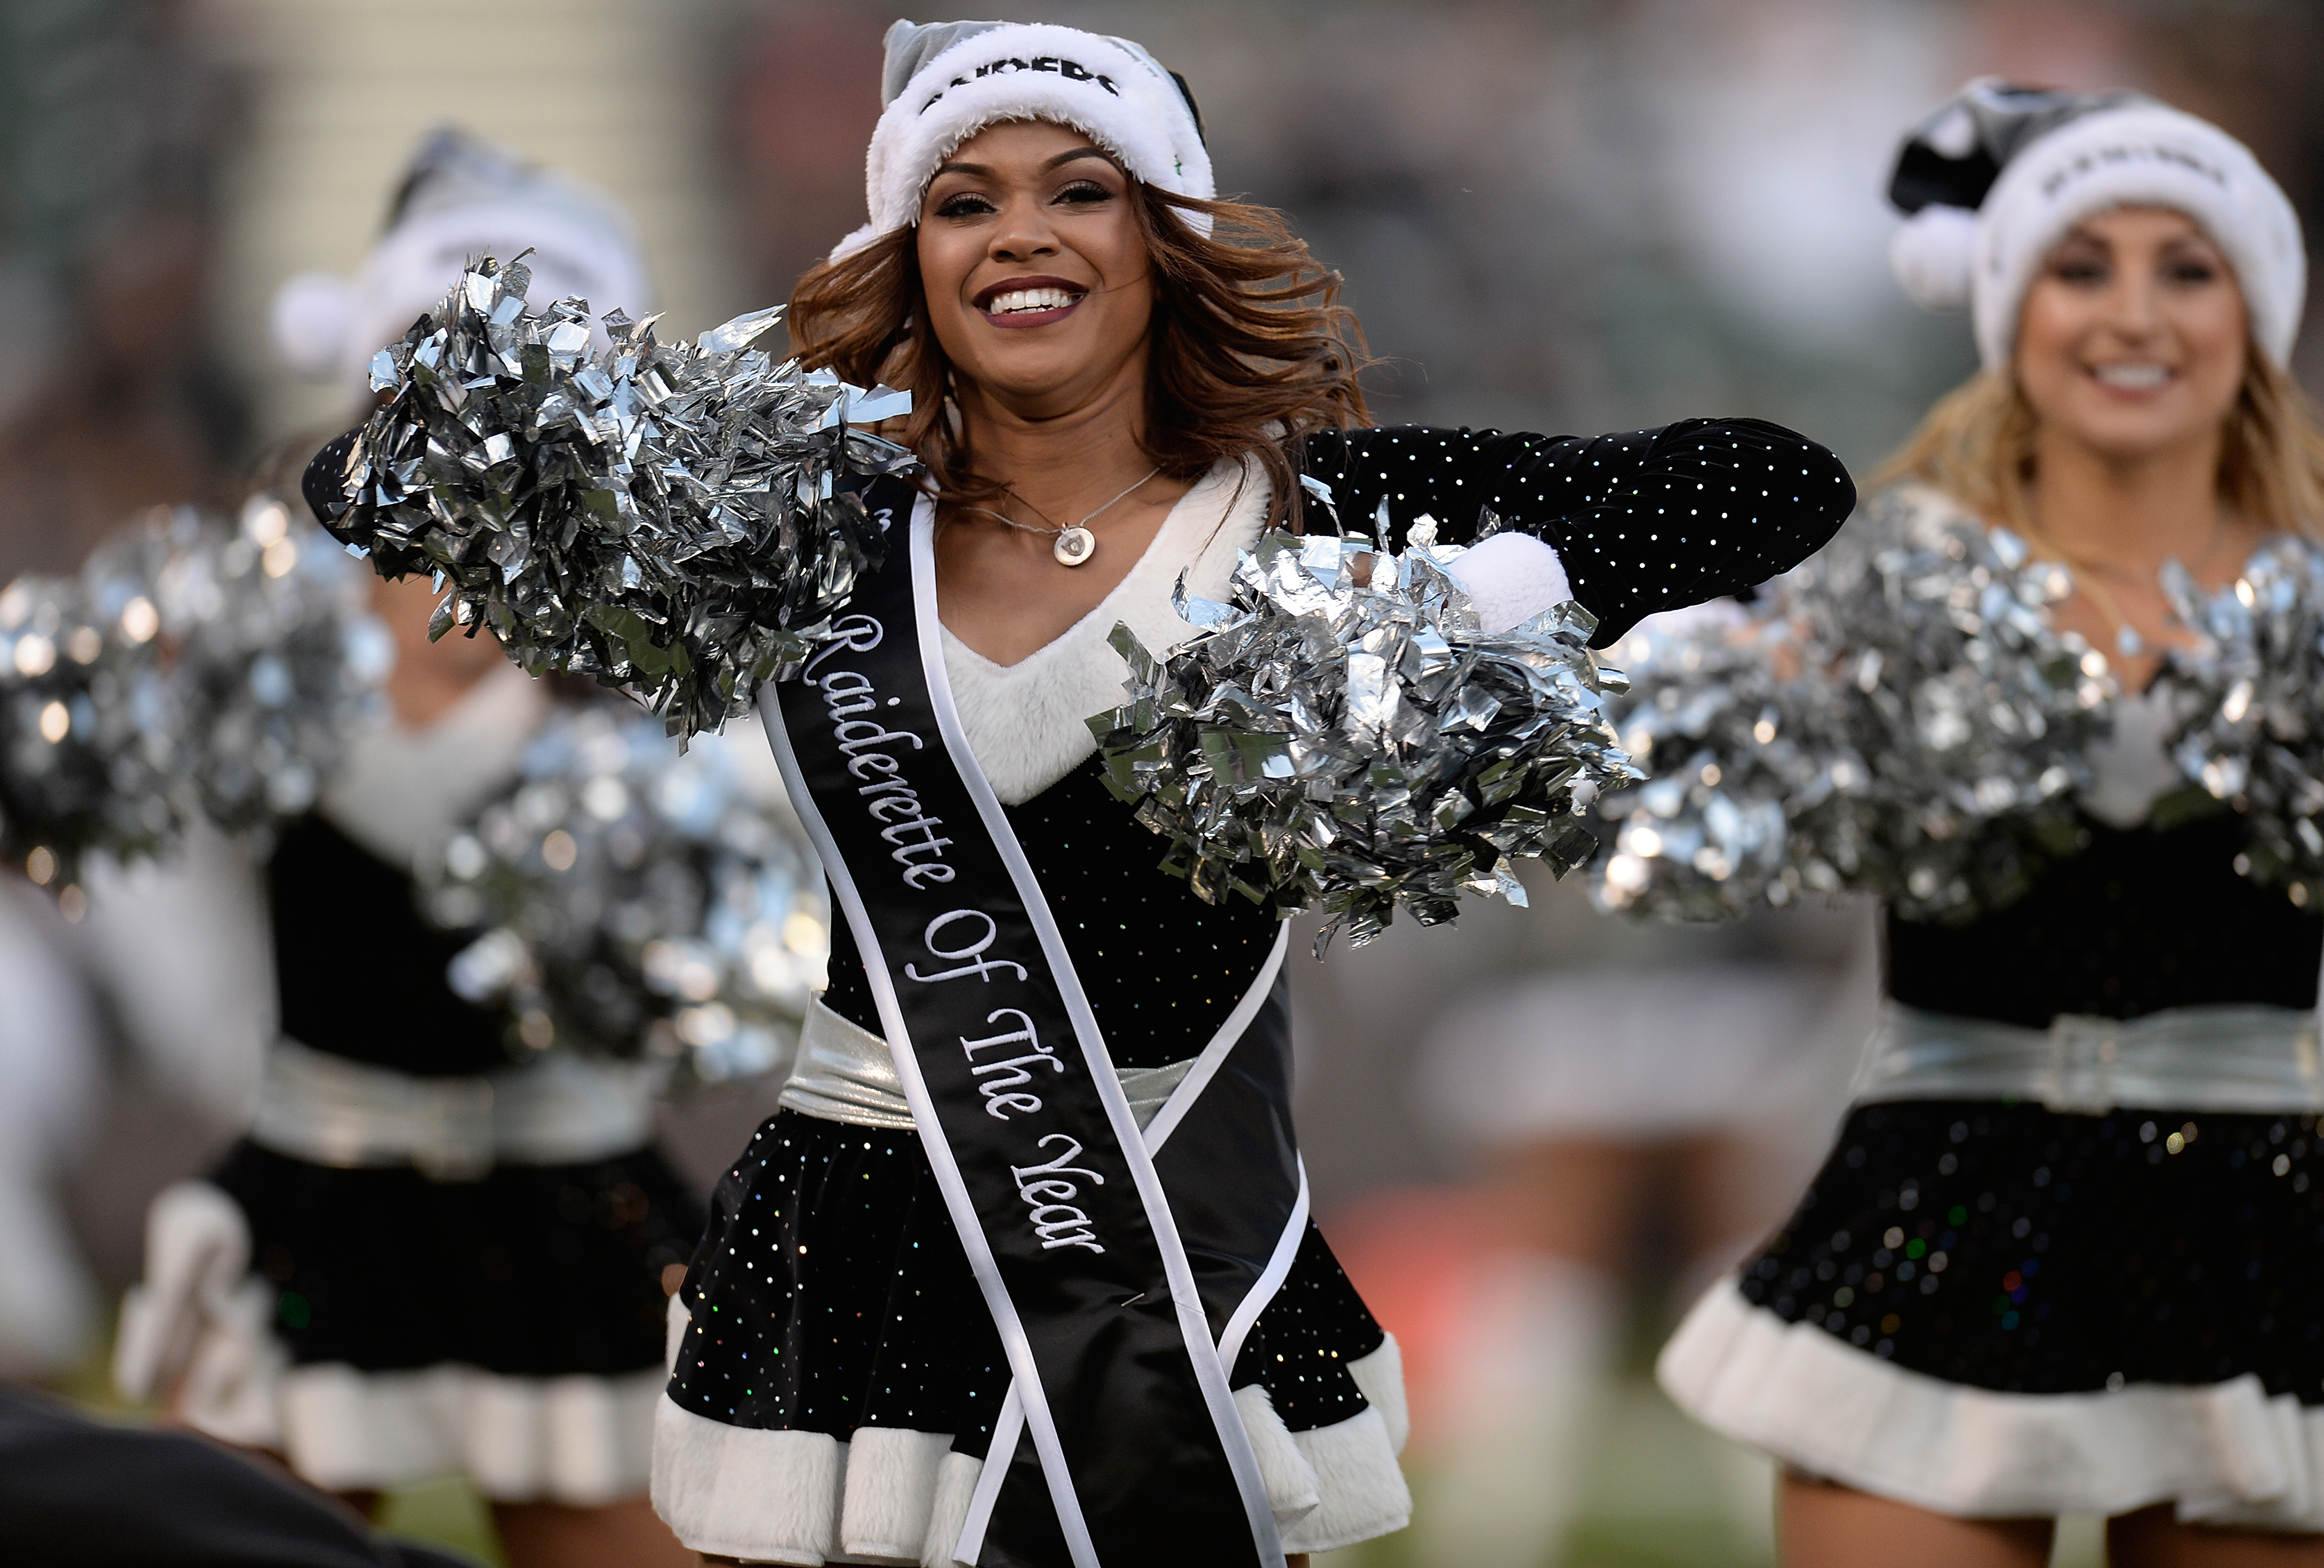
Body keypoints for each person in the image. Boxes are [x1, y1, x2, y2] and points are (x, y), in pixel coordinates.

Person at [310, 20, 1857, 1566]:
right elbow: (366, 486)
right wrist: (708, 395)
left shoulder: (1312, 512)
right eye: (962, 200)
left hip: (1178, 1216)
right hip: (856, 1239)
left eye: (1082, 190)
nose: (1020, 234)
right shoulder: (806, 521)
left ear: (1166, 237)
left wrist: (1478, 594)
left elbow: (1777, 478)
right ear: (904, 248)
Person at [1644, 81, 2324, 1566]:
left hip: (2267, 1222)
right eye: (2081, 266)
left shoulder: (2318, 591)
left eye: (2186, 268)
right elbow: (1673, 783)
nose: (2132, 315)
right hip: (1944, 1203)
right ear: (2010, 306)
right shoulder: (1887, 578)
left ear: (2253, 308)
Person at [114, 132, 701, 1568]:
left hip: (574, 1205)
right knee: (215, 1539)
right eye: (438, 360)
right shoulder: (259, 620)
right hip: (320, 1189)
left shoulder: (666, 638)